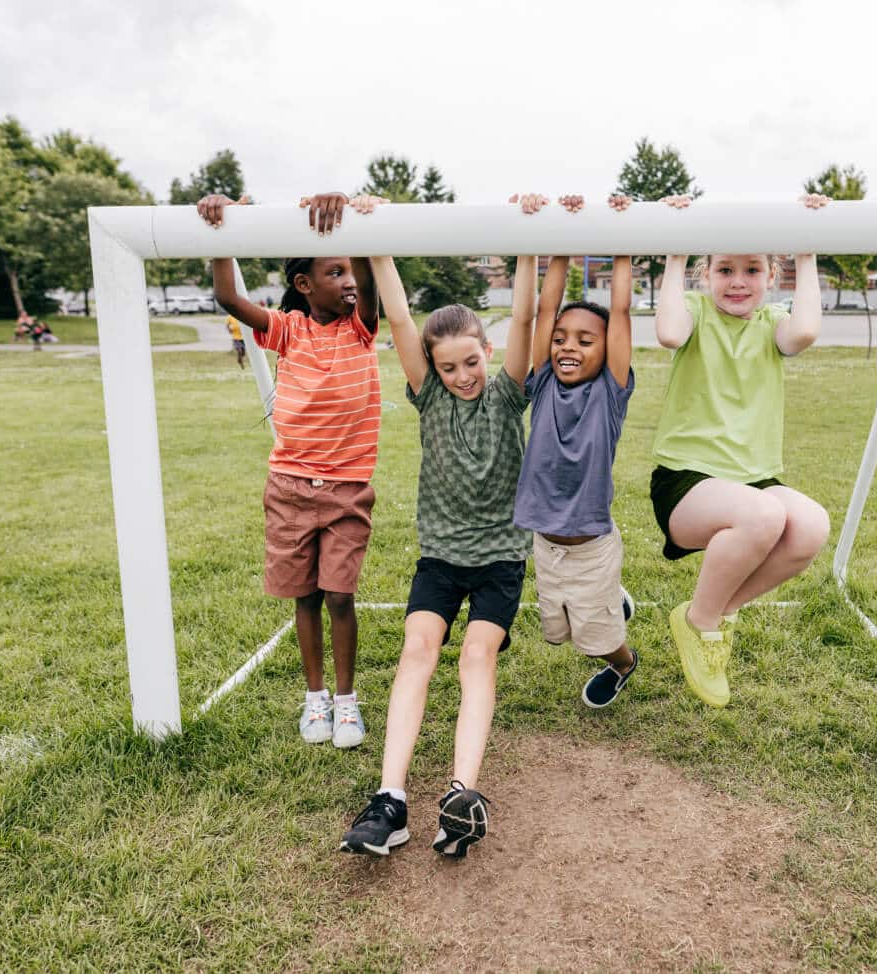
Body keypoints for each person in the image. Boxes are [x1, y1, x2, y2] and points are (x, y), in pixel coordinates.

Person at [340, 198, 538, 860]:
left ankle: (461, 795)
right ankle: (390, 799)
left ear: (487, 352)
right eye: (448, 367)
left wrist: (532, 243)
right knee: (418, 651)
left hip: (501, 560)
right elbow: (397, 315)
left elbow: (526, 312)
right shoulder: (428, 394)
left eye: (470, 363)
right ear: (432, 367)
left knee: (478, 656)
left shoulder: (509, 389)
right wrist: (377, 242)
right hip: (441, 557)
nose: (460, 377)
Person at [198, 190, 381, 749]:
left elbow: (372, 274)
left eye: (349, 270)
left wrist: (353, 213)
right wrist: (222, 227)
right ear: (304, 285)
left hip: (348, 489)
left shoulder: (362, 328)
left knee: (340, 596)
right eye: (334, 272)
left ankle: (347, 702)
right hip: (290, 487)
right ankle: (315, 697)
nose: (348, 280)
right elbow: (228, 294)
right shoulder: (287, 330)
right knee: (304, 597)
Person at [649, 192, 833, 708]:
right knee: (763, 515)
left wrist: (808, 250)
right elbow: (667, 333)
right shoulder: (694, 312)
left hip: (754, 484)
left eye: (752, 270)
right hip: (688, 484)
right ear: (705, 275)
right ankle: (701, 622)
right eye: (725, 269)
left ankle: (712, 611)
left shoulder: (771, 323)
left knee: (811, 526)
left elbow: (807, 331)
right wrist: (675, 252)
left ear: (771, 277)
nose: (737, 282)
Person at [514, 195, 640, 708]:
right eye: (562, 339)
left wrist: (625, 239)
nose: (568, 346)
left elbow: (624, 308)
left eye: (585, 340)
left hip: (590, 545)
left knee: (597, 642)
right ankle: (613, 603)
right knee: (559, 629)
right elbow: (546, 308)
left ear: (607, 350)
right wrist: (560, 238)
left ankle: (625, 663)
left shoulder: (610, 391)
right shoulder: (541, 382)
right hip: (546, 543)